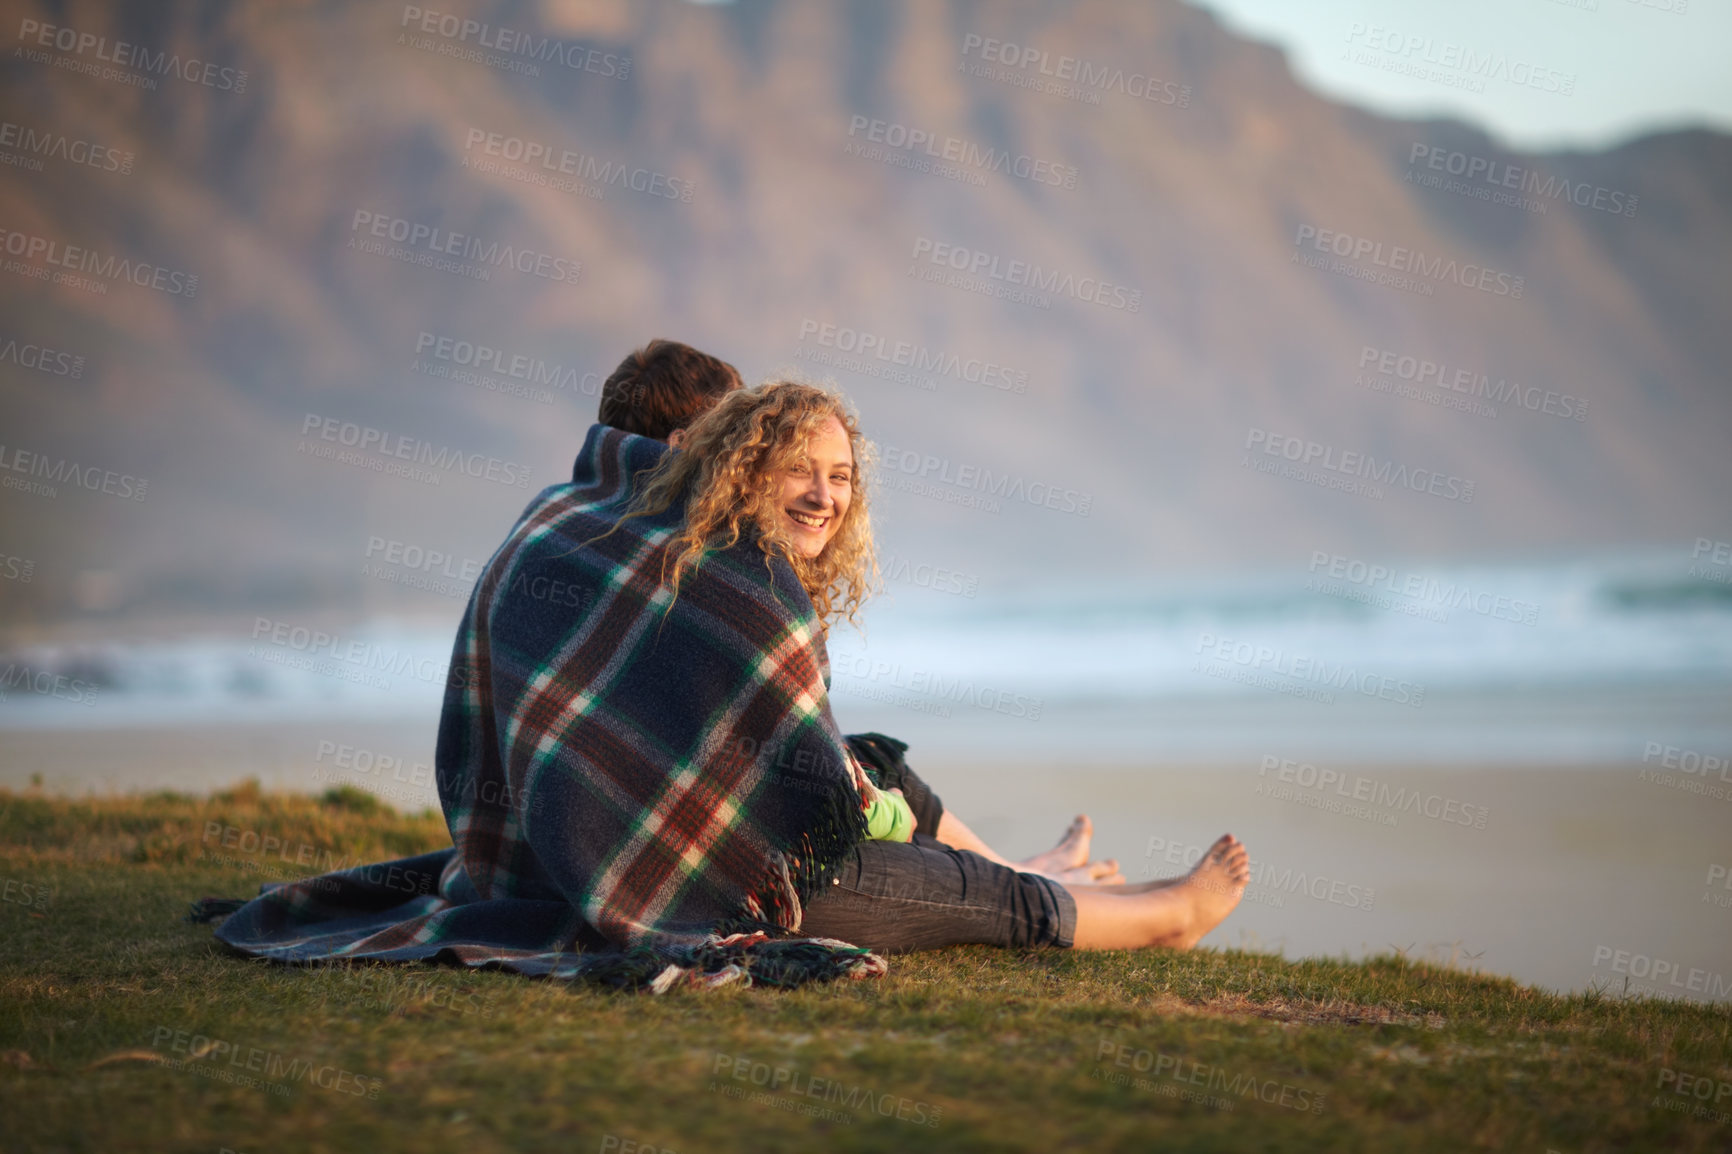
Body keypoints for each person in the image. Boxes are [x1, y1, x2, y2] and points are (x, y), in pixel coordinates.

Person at [631, 380, 1250, 955]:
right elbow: (821, 790)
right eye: (799, 470)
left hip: (717, 847)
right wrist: (890, 818)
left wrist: (877, 800)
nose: (824, 496)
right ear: (744, 475)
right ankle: (1169, 917)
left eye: (840, 476)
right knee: (976, 889)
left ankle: (1050, 881)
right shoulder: (749, 591)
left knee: (881, 765)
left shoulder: (716, 561)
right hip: (731, 883)